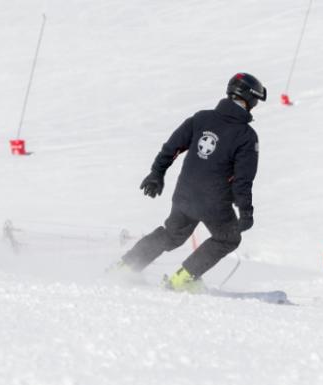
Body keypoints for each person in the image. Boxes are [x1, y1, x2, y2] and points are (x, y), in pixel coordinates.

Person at [112, 73, 266, 292]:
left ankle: (126, 267)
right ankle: (183, 279)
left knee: (171, 235)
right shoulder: (246, 136)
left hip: (185, 194)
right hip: (215, 201)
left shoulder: (201, 118)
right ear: (249, 100)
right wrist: (246, 212)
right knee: (228, 239)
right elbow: (243, 180)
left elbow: (171, 148)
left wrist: (157, 173)